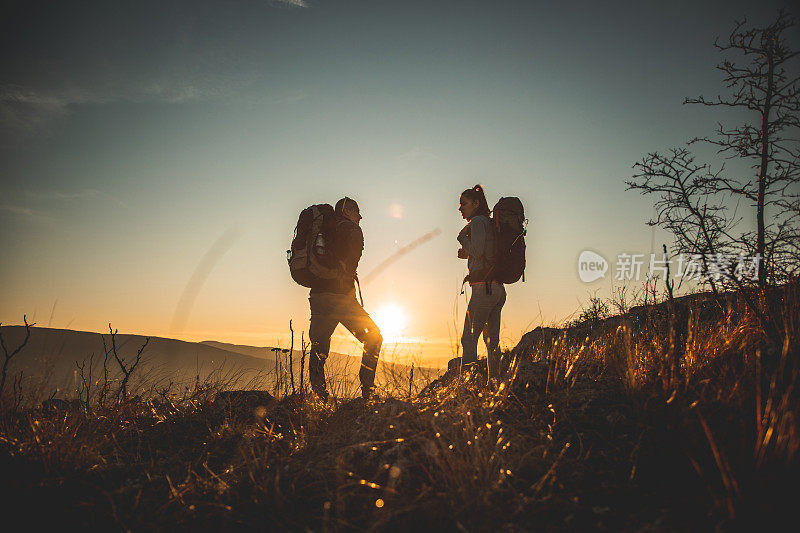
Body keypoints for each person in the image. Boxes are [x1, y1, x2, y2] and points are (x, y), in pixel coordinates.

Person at [308, 197, 383, 401]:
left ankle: (319, 397)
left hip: (318, 296)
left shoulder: (324, 232)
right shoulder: (351, 229)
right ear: (348, 211)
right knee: (374, 337)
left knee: (319, 347)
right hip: (340, 297)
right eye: (357, 212)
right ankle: (368, 391)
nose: (360, 217)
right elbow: (352, 261)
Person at [457, 184, 506, 381]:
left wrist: (461, 238)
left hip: (483, 289)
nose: (460, 208)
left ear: (476, 203)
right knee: (491, 342)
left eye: (464, 204)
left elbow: (477, 251)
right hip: (497, 289)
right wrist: (467, 253)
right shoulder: (488, 222)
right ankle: (495, 383)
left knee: (468, 339)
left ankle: (467, 388)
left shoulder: (477, 221)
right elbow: (484, 252)